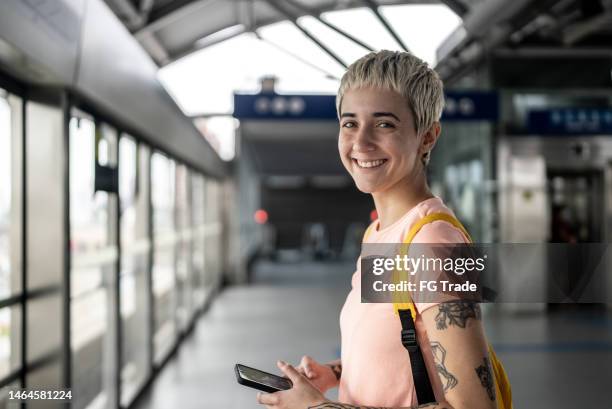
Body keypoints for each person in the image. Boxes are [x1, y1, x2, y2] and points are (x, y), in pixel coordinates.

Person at [256, 50, 497, 409]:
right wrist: (337, 373)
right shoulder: (380, 233)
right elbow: (405, 343)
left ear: (427, 136)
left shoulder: (432, 242)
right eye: (350, 123)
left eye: (384, 124)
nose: (361, 142)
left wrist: (316, 406)